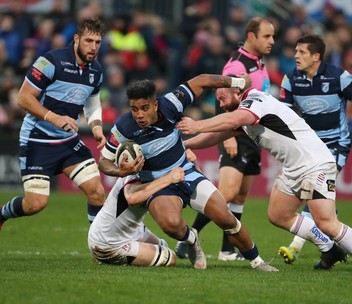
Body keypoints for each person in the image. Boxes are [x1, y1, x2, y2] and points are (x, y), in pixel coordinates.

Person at [176, 83, 352, 273]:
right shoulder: (243, 111)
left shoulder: (255, 101)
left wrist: (198, 124)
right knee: (278, 214)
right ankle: (329, 249)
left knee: (326, 222)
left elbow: (235, 120)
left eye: (223, 99)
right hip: (294, 169)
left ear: (238, 93)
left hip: (315, 164)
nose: (220, 104)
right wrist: (187, 144)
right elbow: (219, 134)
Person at [97, 73, 278, 272]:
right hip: (159, 185)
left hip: (187, 171)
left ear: (155, 105)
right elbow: (103, 162)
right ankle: (190, 239)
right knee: (171, 224)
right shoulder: (123, 127)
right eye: (134, 109)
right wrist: (120, 171)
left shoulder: (171, 104)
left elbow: (204, 80)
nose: (139, 115)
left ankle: (257, 261)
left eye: (144, 108)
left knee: (225, 218)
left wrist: (239, 83)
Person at [277, 34, 352, 264]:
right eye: (295, 51)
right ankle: (330, 252)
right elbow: (281, 117)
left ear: (316, 56)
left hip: (336, 146)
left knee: (315, 190)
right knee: (323, 201)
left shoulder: (339, 77)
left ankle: (298, 247)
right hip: (309, 148)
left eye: (302, 52)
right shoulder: (291, 80)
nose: (296, 55)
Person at [175, 17, 275, 261]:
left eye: (272, 36)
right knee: (227, 193)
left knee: (240, 196)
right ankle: (188, 239)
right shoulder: (236, 66)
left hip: (252, 133)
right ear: (252, 37)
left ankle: (228, 250)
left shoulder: (257, 61)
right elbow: (223, 97)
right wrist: (226, 138)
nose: (272, 41)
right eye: (266, 36)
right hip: (235, 134)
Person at [0, 18, 106, 230]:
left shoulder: (96, 71)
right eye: (88, 41)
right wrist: (54, 117)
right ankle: (2, 214)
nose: (93, 47)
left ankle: (101, 247)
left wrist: (96, 127)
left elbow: (93, 104)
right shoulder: (50, 61)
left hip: (67, 142)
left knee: (97, 192)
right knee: (35, 204)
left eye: (97, 42)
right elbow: (23, 98)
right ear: (76, 39)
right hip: (37, 140)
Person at [88, 167, 185, 267]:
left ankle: (129, 257)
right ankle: (112, 259)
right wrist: (168, 178)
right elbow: (132, 197)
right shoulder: (136, 173)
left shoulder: (156, 172)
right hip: (108, 242)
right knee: (169, 257)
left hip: (131, 229)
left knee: (163, 245)